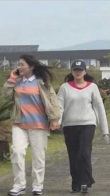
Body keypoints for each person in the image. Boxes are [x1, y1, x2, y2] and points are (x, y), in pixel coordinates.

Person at [2, 54, 60, 196]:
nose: (19, 67)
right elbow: (6, 94)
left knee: (38, 156)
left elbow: (53, 101)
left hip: (38, 124)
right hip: (19, 124)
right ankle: (19, 185)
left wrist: (54, 119)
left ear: (31, 66)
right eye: (18, 64)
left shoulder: (42, 82)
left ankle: (37, 186)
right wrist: (11, 79)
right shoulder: (17, 81)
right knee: (17, 152)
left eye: (22, 64)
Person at [57, 60, 109, 194]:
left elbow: (99, 108)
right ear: (72, 72)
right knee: (73, 155)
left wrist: (105, 131)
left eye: (80, 70)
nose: (78, 72)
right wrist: (57, 121)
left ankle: (85, 182)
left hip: (88, 124)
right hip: (70, 125)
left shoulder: (92, 87)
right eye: (75, 70)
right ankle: (76, 183)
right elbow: (59, 107)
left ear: (85, 72)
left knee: (84, 153)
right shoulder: (65, 87)